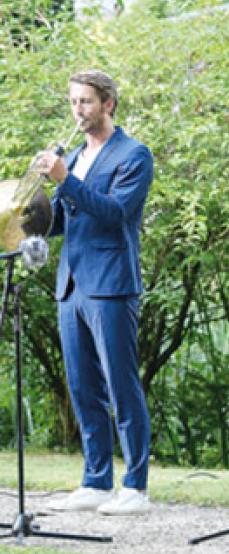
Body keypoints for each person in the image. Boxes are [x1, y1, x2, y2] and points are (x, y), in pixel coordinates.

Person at [36, 69, 154, 516]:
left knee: (122, 386)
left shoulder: (134, 154)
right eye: (72, 102)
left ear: (108, 103)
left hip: (110, 285)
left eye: (85, 101)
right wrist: (29, 211)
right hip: (71, 284)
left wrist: (66, 180)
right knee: (83, 387)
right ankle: (96, 480)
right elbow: (62, 222)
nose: (78, 111)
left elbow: (115, 212)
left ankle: (136, 487)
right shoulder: (75, 156)